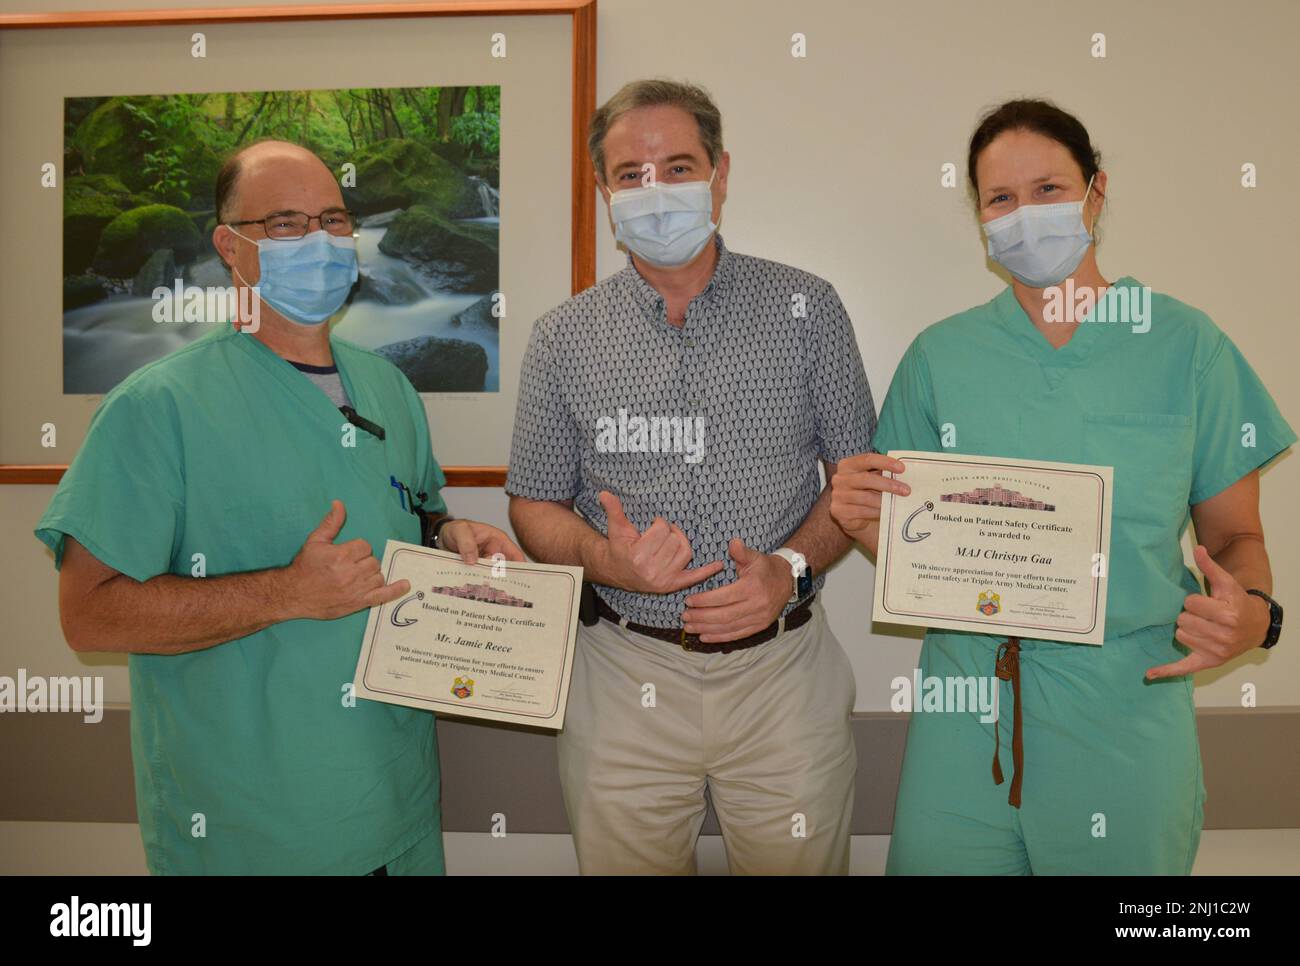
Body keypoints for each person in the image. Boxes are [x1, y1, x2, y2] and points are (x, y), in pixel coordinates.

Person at [831, 99, 1294, 875]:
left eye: (1048, 189)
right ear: (980, 219)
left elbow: (1237, 540)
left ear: (1096, 194)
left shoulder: (1187, 347)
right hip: (965, 719)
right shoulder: (941, 359)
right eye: (1000, 199)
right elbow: (916, 549)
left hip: (1127, 715)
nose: (1025, 215)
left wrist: (1252, 617)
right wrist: (859, 518)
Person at [35, 139, 522, 875]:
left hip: (396, 798)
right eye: (288, 225)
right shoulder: (157, 408)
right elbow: (90, 613)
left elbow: (412, 510)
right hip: (251, 827)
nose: (322, 241)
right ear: (231, 247)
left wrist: (451, 533)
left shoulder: (389, 390)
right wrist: (286, 594)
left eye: (333, 220)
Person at [506, 79, 877, 874]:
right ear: (603, 190)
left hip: (782, 673)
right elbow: (532, 502)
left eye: (678, 167)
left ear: (721, 172)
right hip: (620, 672)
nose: (655, 192)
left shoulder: (807, 308)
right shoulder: (561, 338)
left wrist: (791, 569)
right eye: (630, 175)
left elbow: (856, 482)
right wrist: (608, 559)